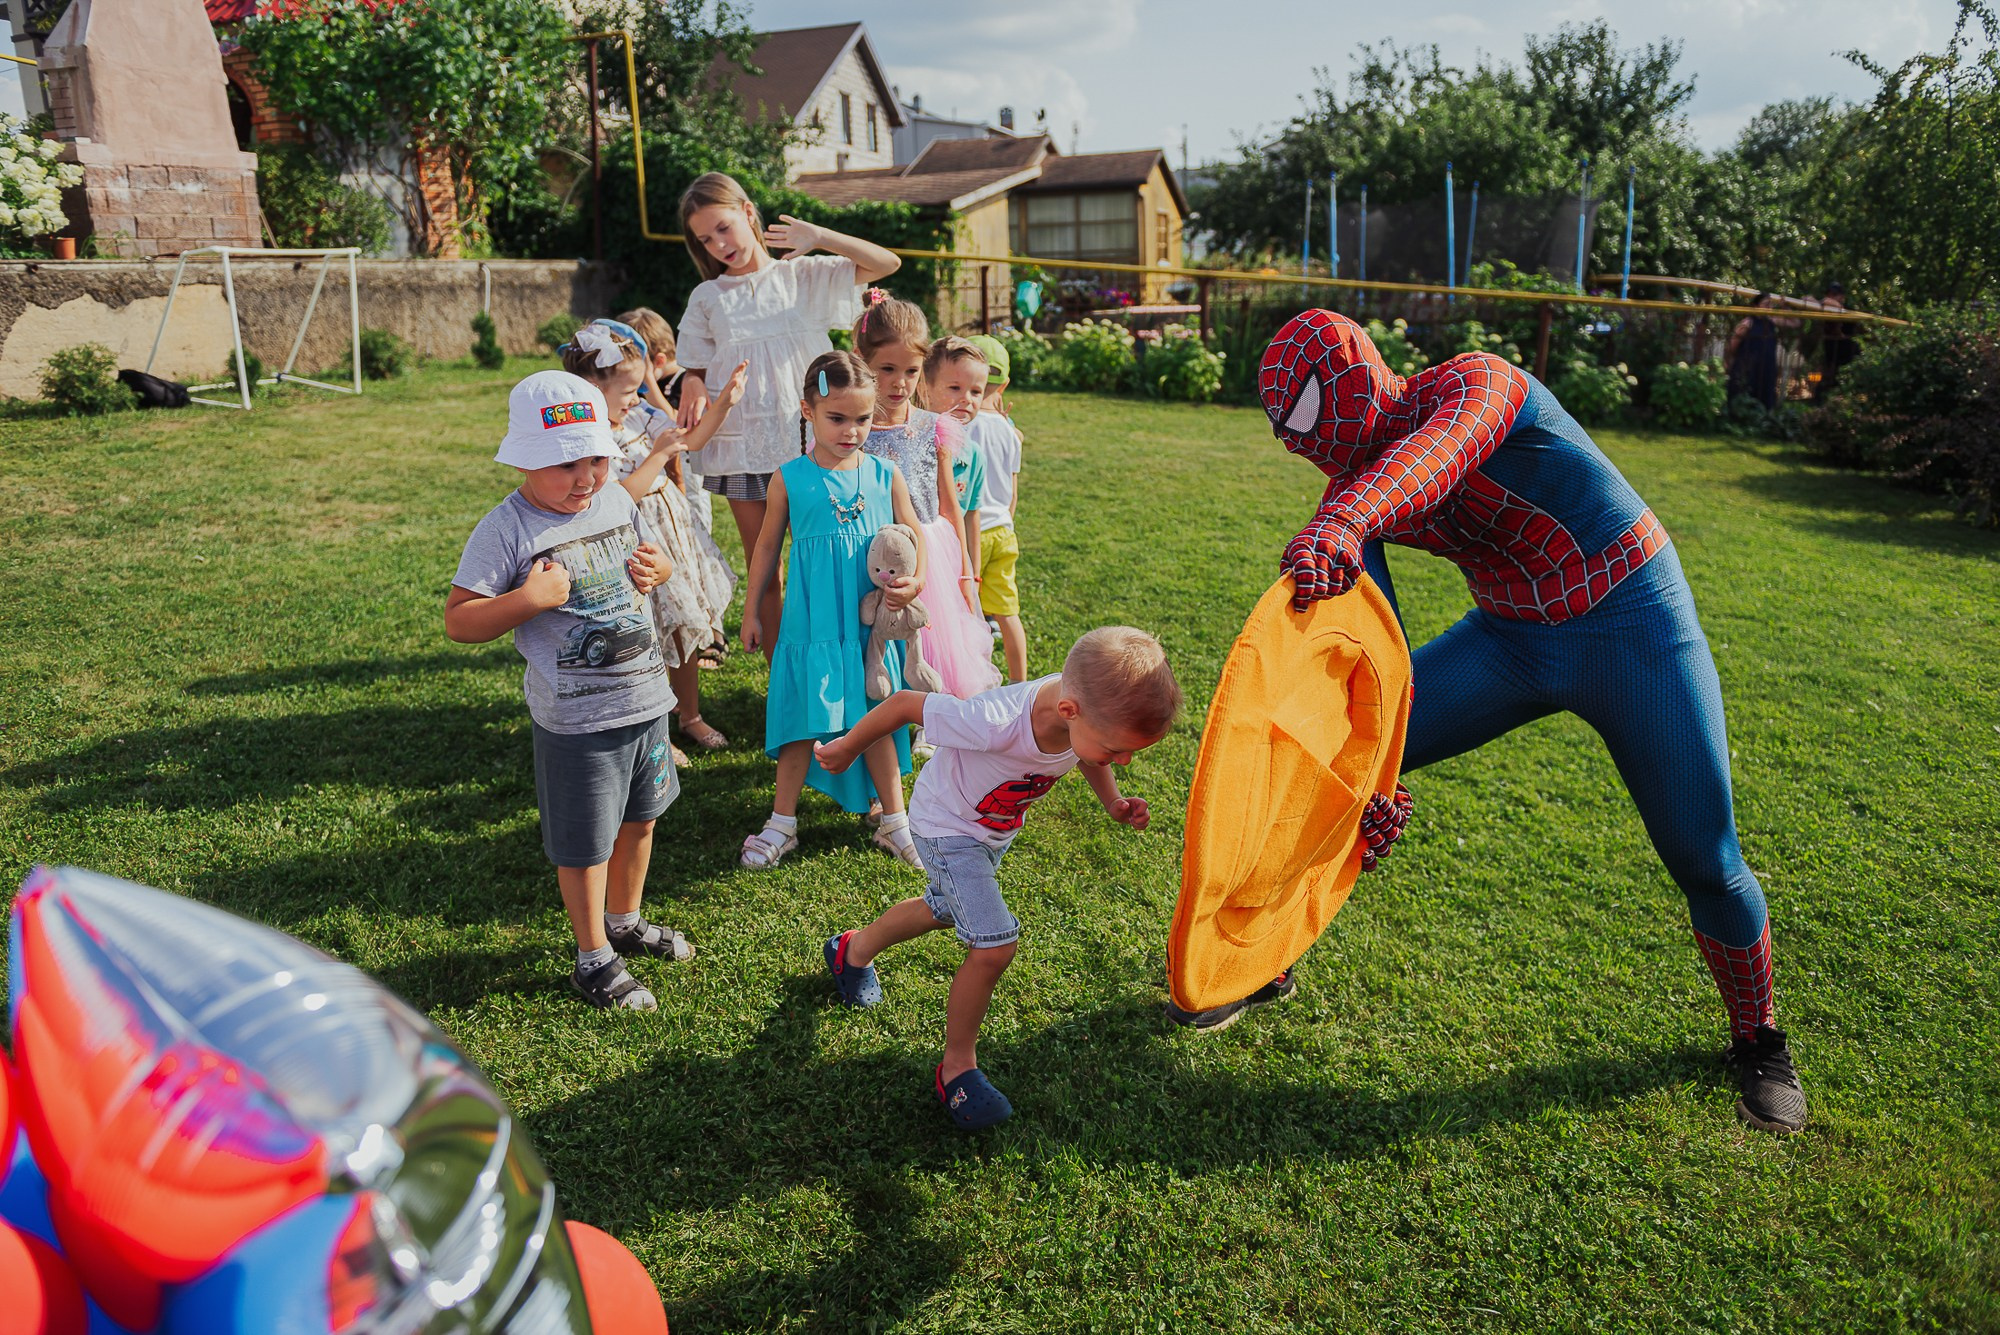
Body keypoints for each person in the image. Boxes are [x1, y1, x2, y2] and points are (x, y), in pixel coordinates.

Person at [1228, 309, 1808, 1135]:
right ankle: (1269, 954)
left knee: (1703, 852)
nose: (1304, 444)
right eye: (1289, 432)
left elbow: (1435, 458)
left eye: (1309, 418)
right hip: (1510, 636)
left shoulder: (1477, 384)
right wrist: (1377, 777)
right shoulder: (1357, 492)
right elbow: (1376, 676)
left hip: (1630, 614)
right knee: (1337, 762)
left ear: (1356, 373)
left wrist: (1350, 518)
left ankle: (1759, 1036)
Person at [815, 627, 1181, 1130]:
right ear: (1071, 711)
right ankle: (956, 1069)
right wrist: (847, 749)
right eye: (1117, 749)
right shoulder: (994, 720)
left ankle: (851, 951)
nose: (1122, 760)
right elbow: (903, 703)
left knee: (943, 909)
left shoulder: (1079, 711)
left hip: (988, 832)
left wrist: (1112, 800)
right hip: (947, 828)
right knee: (993, 945)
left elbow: (1085, 753)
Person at [445, 370, 694, 1011]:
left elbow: (649, 552)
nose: (585, 477)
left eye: (596, 459)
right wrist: (526, 600)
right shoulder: (506, 529)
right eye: (566, 465)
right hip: (578, 723)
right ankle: (592, 958)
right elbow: (459, 620)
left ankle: (625, 920)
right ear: (526, 461)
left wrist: (659, 566)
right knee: (585, 844)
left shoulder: (613, 500)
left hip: (647, 703)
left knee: (642, 820)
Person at [672, 172, 902, 657]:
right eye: (705, 238)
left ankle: (848, 658)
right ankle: (785, 682)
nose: (718, 244)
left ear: (748, 212)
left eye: (723, 227)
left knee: (834, 558)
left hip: (814, 447)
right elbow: (691, 361)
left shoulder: (801, 277)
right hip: (743, 451)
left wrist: (819, 236)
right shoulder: (708, 297)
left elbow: (887, 262)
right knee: (767, 565)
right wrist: (692, 379)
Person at [737, 351, 930, 871]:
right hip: (812, 625)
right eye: (837, 418)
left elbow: (915, 533)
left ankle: (895, 821)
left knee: (877, 717)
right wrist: (753, 610)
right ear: (808, 411)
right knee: (802, 718)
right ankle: (782, 822)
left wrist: (916, 580)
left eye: (862, 419)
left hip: (869, 631)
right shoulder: (790, 479)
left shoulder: (885, 474)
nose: (851, 431)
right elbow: (765, 549)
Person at [562, 324, 744, 754]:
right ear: (591, 388)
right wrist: (659, 455)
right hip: (632, 537)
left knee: (683, 627)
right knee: (646, 634)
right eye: (628, 389)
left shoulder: (640, 414)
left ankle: (690, 716)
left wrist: (724, 405)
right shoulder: (590, 436)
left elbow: (691, 440)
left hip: (672, 530)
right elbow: (618, 496)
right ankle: (652, 730)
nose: (637, 397)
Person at [852, 293, 1001, 700]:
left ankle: (928, 716)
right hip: (872, 548)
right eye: (887, 369)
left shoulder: (934, 427)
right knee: (875, 630)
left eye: (912, 371)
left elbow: (950, 504)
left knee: (932, 637)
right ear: (862, 363)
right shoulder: (854, 431)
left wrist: (966, 572)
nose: (900, 383)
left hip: (929, 551)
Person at [964, 334, 1028, 682]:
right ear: (1004, 383)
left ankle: (973, 678)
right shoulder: (1010, 430)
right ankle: (1020, 687)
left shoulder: (961, 425)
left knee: (967, 613)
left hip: (972, 534)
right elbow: (1012, 492)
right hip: (1004, 529)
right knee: (1008, 613)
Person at [922, 335, 991, 600]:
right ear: (926, 387)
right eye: (954, 388)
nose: (967, 399)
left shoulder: (973, 455)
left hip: (951, 562)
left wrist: (973, 572)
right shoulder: (914, 443)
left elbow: (971, 515)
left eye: (976, 391)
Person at [1726, 293, 1782, 411]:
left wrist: (1786, 306)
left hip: (1766, 367)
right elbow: (1733, 345)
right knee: (1745, 392)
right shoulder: (1748, 323)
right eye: (1765, 304)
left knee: (1764, 395)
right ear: (1756, 306)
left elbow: (1796, 323)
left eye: (1770, 305)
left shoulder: (1772, 322)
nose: (1768, 307)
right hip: (1748, 366)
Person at [1815, 282, 1860, 401]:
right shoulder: (1824, 308)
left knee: (1844, 380)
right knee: (1828, 378)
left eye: (1835, 295)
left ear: (1842, 297)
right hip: (1831, 351)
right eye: (1830, 294)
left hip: (1847, 352)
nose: (1832, 297)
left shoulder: (1849, 309)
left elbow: (1834, 306)